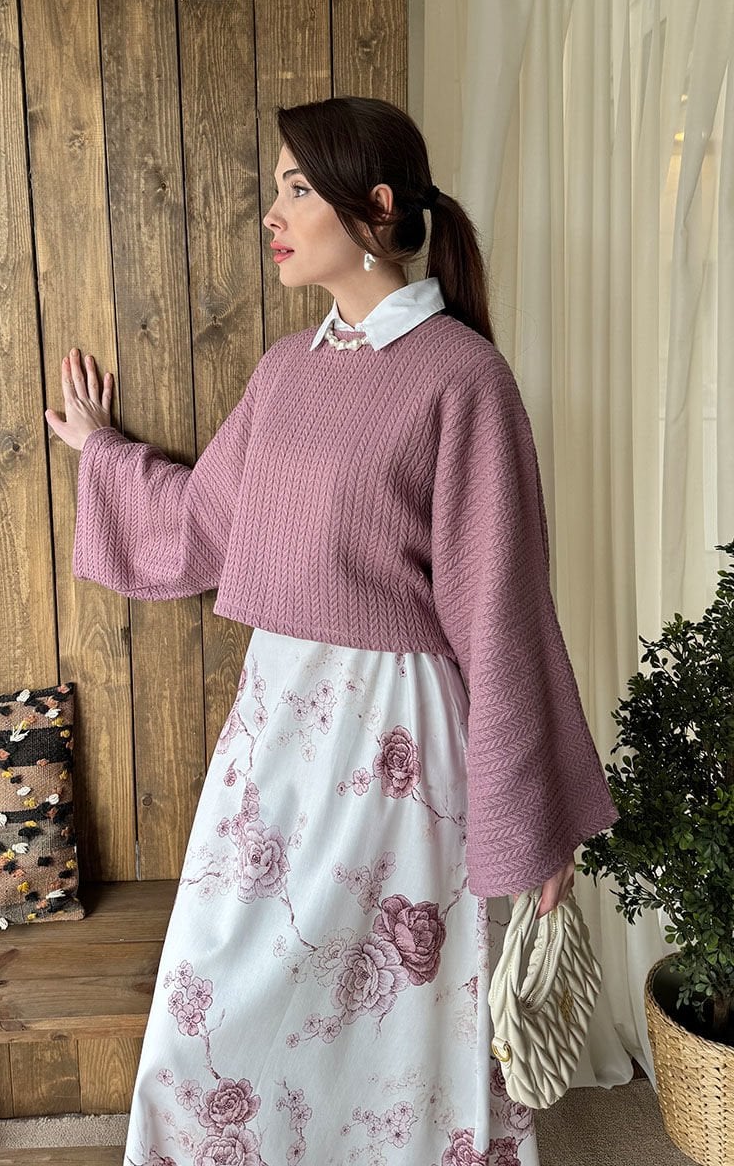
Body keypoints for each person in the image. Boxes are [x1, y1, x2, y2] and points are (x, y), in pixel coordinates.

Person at [45, 97, 618, 1166]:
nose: (272, 212)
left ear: (376, 207)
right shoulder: (285, 370)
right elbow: (205, 524)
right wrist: (103, 453)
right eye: (277, 188)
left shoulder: (462, 378)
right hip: (275, 737)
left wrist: (534, 821)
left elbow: (500, 612)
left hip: (397, 751)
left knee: (398, 1033)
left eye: (297, 188)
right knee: (211, 1011)